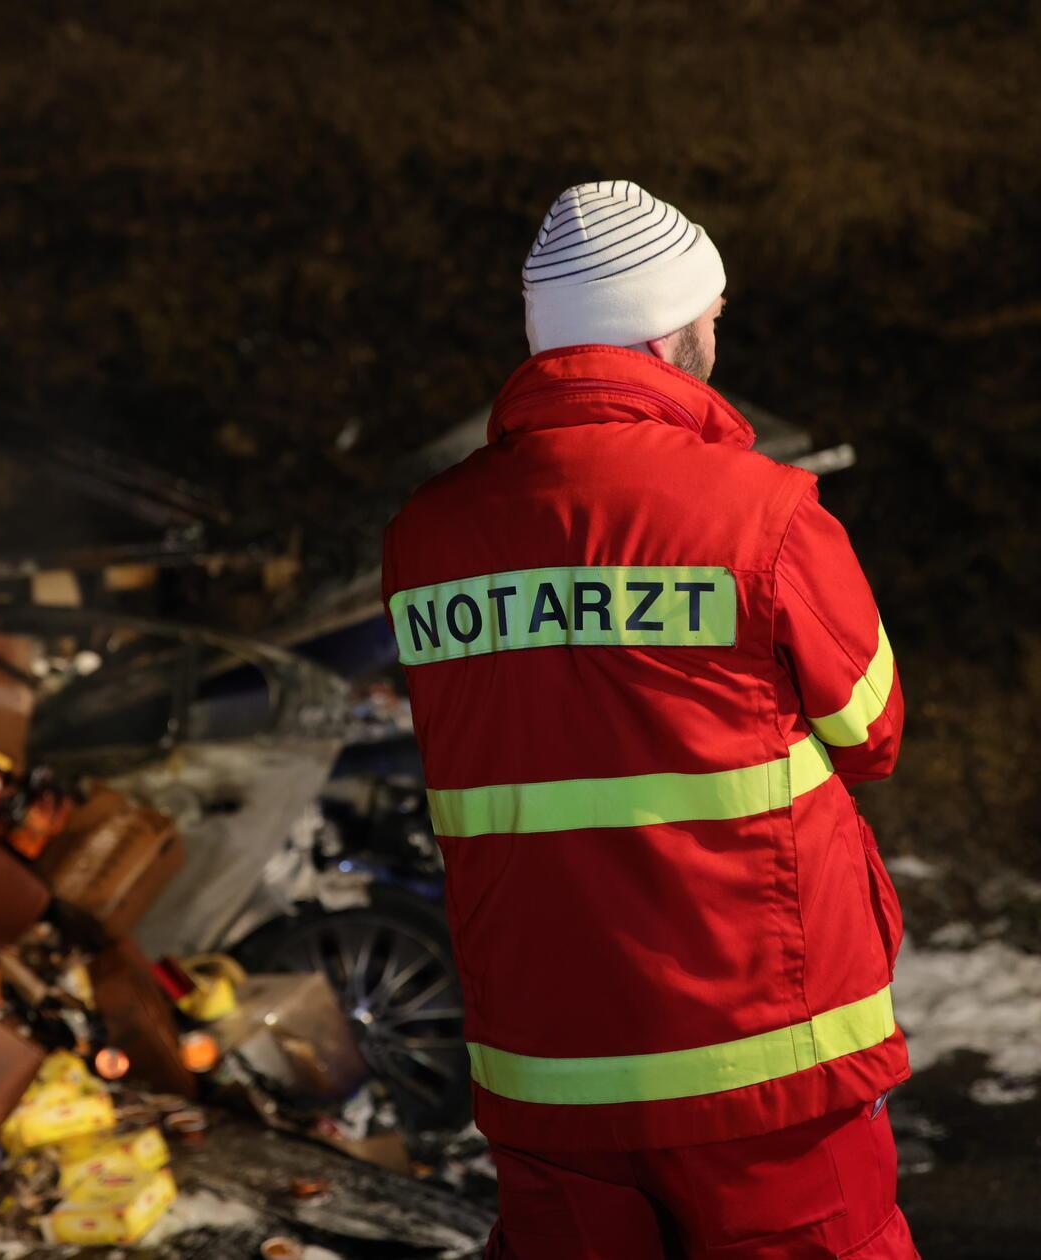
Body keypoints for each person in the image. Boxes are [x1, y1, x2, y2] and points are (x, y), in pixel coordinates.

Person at [381, 181, 916, 1258]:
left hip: (544, 1067)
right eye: (712, 317)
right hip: (764, 1056)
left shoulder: (426, 539)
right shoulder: (763, 513)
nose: (718, 336)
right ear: (670, 332)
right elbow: (873, 732)